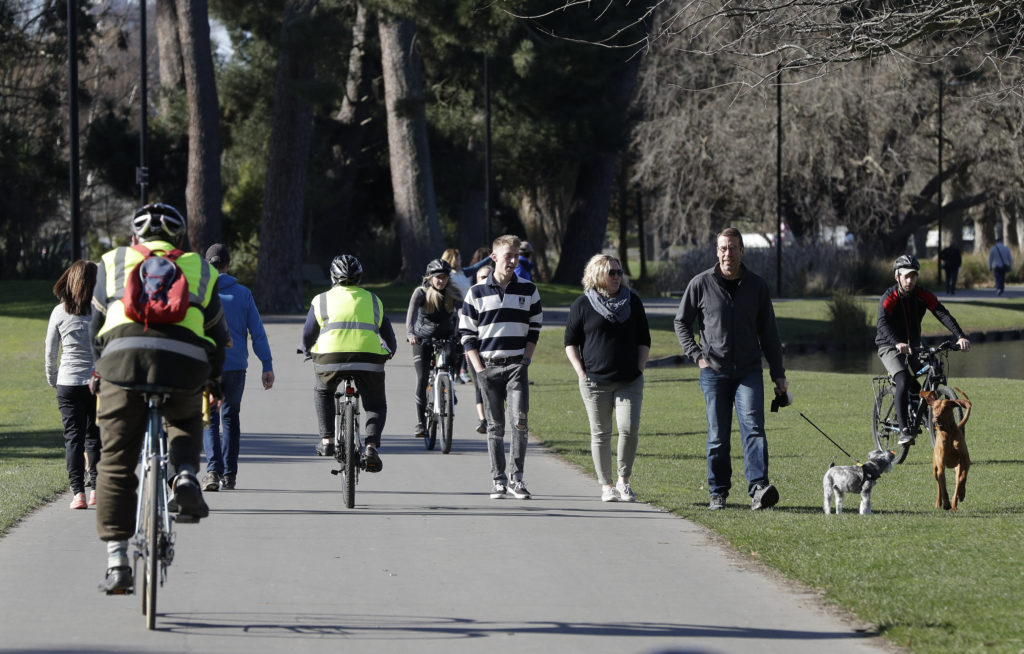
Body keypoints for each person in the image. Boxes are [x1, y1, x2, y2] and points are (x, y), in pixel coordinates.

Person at [90, 203, 229, 593]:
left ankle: (117, 563)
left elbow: (95, 325)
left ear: (135, 238)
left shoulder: (113, 260)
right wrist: (214, 377)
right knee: (184, 420)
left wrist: (99, 370)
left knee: (116, 462)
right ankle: (184, 475)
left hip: (122, 362)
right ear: (180, 239)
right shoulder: (201, 268)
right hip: (185, 362)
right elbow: (218, 334)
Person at [674, 227, 787, 511]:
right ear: (717, 252)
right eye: (723, 248)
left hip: (749, 371)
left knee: (754, 429)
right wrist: (697, 356)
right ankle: (718, 492)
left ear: (742, 251)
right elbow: (681, 322)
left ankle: (759, 489)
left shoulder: (757, 286)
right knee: (717, 436)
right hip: (714, 371)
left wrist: (778, 374)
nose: (728, 253)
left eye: (733, 248)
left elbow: (770, 334)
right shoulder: (701, 283)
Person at [459, 235, 542, 499]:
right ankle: (498, 479)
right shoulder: (476, 292)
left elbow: (534, 329)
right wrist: (479, 370)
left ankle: (517, 479)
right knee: (495, 427)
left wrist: (525, 360)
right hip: (488, 367)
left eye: (517, 255)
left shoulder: (529, 290)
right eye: (509, 256)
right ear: (494, 257)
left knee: (520, 422)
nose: (514, 261)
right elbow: (467, 334)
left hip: (517, 365)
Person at [564, 254, 651, 503]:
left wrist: (640, 367)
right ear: (597, 274)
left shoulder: (632, 301)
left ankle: (624, 481)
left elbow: (644, 338)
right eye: (611, 272)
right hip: (594, 381)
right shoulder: (582, 304)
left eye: (619, 272)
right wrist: (581, 373)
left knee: (629, 429)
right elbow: (570, 341)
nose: (616, 277)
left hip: (629, 379)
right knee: (601, 433)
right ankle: (607, 485)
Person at [301, 254, 396, 472]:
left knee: (323, 391)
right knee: (376, 405)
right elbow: (389, 336)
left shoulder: (320, 300)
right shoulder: (373, 299)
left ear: (332, 277)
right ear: (360, 278)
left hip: (329, 359)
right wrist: (390, 351)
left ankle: (327, 440)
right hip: (369, 360)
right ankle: (371, 446)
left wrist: (307, 350)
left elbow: (308, 334)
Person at [201, 244, 275, 492]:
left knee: (209, 418)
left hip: (207, 366)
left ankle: (212, 471)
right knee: (230, 417)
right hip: (234, 367)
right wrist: (267, 364)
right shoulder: (243, 294)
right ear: (228, 265)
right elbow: (257, 332)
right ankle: (229, 475)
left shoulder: (200, 294)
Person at [876, 254, 971, 445]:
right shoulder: (890, 297)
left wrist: (960, 336)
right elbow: (882, 323)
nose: (910, 280)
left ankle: (925, 414)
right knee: (902, 378)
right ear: (897, 277)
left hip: (913, 345)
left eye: (913, 276)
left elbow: (941, 312)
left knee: (932, 369)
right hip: (889, 345)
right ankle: (904, 430)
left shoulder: (921, 294)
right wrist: (897, 343)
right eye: (906, 276)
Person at [45, 260, 102, 510]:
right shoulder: (102, 311)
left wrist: (53, 378)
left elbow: (50, 352)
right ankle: (96, 491)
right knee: (95, 437)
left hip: (67, 381)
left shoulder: (59, 312)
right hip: (96, 381)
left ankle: (77, 492)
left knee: (73, 439)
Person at [406, 258, 460, 438]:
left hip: (446, 337)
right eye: (438, 277)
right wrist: (411, 334)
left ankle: (449, 388)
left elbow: (462, 315)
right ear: (430, 278)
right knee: (422, 378)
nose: (441, 281)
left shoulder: (453, 293)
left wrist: (462, 334)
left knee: (453, 355)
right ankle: (421, 423)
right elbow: (411, 315)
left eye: (444, 277)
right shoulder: (421, 292)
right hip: (423, 339)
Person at [469, 264, 493, 434]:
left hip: (494, 350)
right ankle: (483, 420)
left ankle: (494, 416)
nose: (484, 280)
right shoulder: (471, 297)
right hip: (475, 350)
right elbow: (463, 327)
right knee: (479, 383)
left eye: (487, 277)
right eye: (481, 277)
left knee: (494, 386)